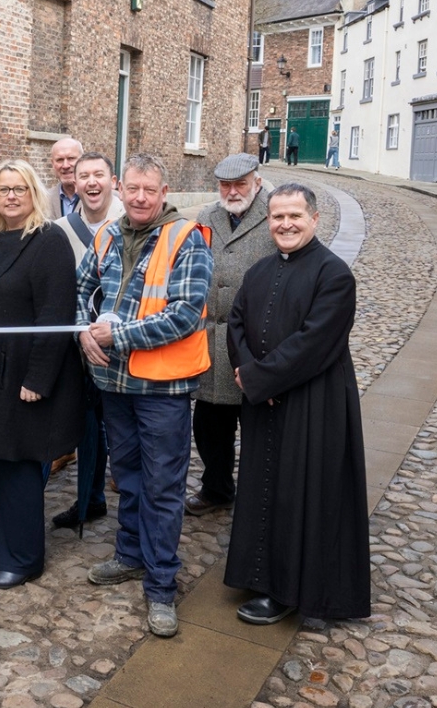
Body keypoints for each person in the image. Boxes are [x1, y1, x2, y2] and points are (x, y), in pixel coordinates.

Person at [76, 153, 213, 639]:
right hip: (115, 385)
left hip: (163, 390)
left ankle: (161, 586)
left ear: (162, 191)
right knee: (128, 476)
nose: (138, 198)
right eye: (131, 188)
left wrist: (117, 337)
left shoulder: (186, 239)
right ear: (120, 186)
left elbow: (184, 315)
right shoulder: (107, 235)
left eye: (148, 191)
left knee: (163, 487)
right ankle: (130, 555)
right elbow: (83, 290)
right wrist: (82, 333)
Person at [224, 183, 369, 625]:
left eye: (294, 216)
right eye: (277, 217)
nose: (285, 224)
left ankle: (295, 589)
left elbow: (314, 342)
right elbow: (236, 324)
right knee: (262, 485)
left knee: (302, 493)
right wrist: (249, 373)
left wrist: (259, 379)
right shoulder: (259, 271)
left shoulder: (335, 275)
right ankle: (261, 576)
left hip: (314, 404)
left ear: (314, 219)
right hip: (263, 402)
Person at [0, 160, 84, 589]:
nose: (10, 196)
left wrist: (38, 380)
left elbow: (55, 314)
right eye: (3, 189)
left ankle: (24, 557)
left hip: (22, 376)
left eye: (19, 189)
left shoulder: (48, 241)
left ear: (33, 193)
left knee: (20, 465)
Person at [186, 154, 273, 518]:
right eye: (225, 185)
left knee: (259, 429)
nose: (232, 191)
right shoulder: (206, 217)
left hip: (257, 342)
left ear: (256, 182)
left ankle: (261, 495)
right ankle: (217, 488)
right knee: (209, 427)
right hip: (209, 342)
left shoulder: (275, 214)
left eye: (240, 184)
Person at [48, 152, 125, 531]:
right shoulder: (59, 230)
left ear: (114, 181)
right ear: (73, 183)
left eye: (99, 174)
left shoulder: (132, 223)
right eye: (84, 176)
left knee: (120, 430)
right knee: (87, 425)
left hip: (124, 348)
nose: (92, 182)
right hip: (75, 346)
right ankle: (90, 499)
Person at [46, 137, 83, 218]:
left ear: (83, 160)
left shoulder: (105, 197)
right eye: (60, 160)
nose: (65, 165)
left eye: (71, 158)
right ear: (52, 163)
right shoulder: (43, 200)